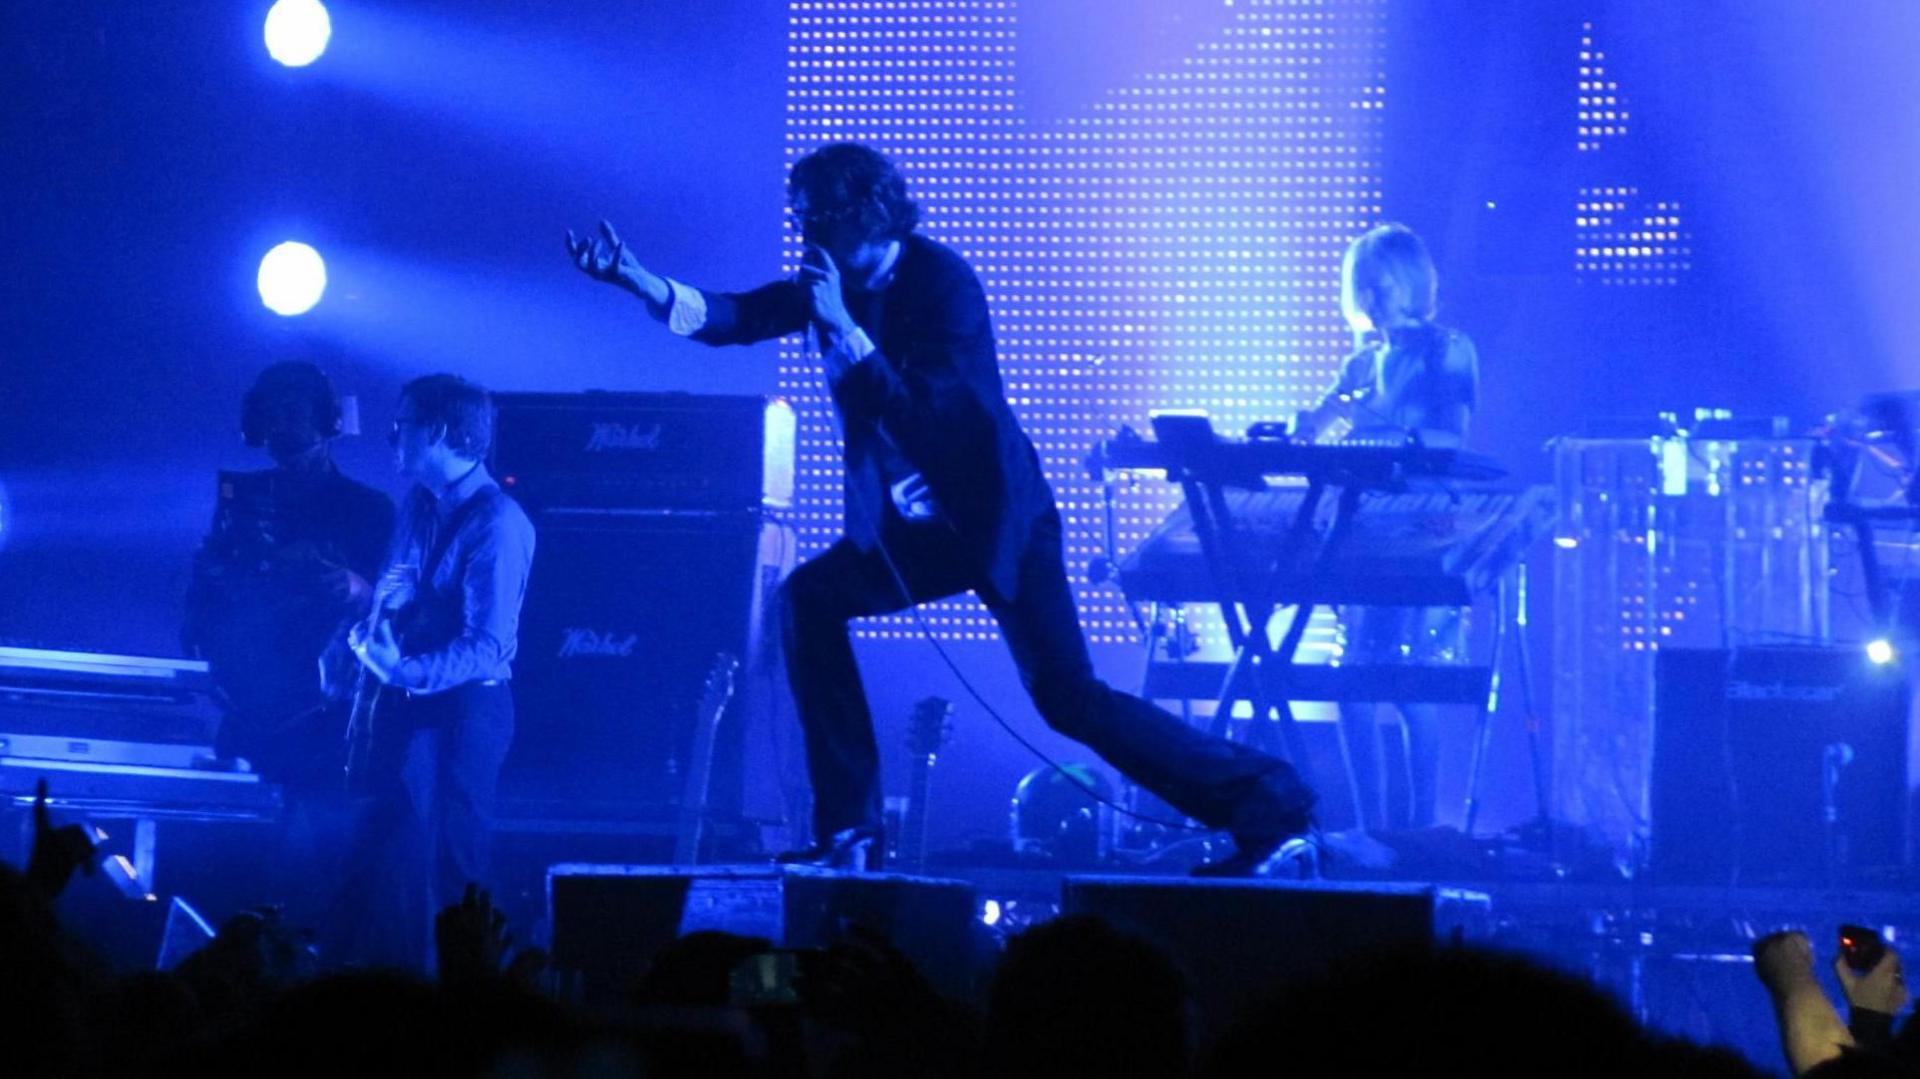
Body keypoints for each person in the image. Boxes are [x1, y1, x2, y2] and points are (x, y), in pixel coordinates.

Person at [566, 142, 1312, 874]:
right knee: (807, 600)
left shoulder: (944, 285)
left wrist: (845, 327)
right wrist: (638, 280)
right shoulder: (830, 286)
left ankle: (1267, 801)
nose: (805, 234)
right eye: (799, 219)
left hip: (998, 526)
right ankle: (850, 827)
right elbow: (737, 316)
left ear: (865, 215)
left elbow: (928, 415)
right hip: (913, 537)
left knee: (1069, 700)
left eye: (817, 217)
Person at [329, 374, 535, 969]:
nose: (392, 435)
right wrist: (356, 644)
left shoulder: (498, 523)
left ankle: (464, 1008)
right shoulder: (419, 503)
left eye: (404, 424)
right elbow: (396, 590)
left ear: (441, 432)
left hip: (467, 712)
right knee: (368, 853)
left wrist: (403, 670)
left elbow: (489, 646)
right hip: (408, 702)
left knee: (453, 869)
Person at [182, 361, 393, 919]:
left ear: (326, 422)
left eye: (296, 413)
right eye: (273, 414)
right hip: (247, 699)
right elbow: (207, 599)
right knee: (237, 869)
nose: (284, 427)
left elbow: (401, 606)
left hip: (327, 713)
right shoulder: (239, 502)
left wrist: (356, 586)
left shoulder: (369, 509)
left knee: (318, 868)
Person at [1295, 223, 1479, 832]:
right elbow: (1312, 434)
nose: (1372, 299)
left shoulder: (1447, 349)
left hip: (1424, 528)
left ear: (1411, 283)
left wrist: (1389, 442)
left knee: (1410, 680)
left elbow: (1451, 436)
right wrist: (1323, 415)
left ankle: (1420, 827)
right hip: (1363, 527)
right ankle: (1368, 828)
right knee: (1351, 683)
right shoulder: (1359, 363)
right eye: (1362, 289)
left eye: (1382, 286)